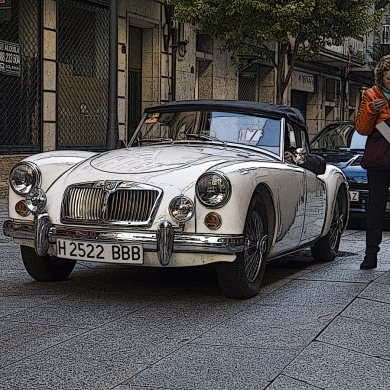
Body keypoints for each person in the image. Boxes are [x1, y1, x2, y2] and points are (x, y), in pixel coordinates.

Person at [355, 54, 390, 270]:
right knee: (376, 207)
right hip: (379, 157)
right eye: (388, 78)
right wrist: (371, 111)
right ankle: (371, 254)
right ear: (380, 78)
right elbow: (362, 129)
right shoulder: (371, 95)